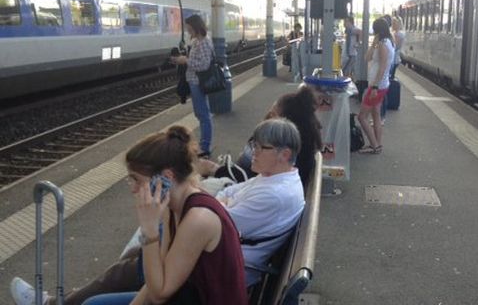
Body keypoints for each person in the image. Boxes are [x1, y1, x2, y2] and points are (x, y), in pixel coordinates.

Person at [10, 120, 304, 303]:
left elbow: (161, 291)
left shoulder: (198, 217)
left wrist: (150, 232)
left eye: (135, 180)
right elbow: (156, 288)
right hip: (189, 293)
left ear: (166, 176)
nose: (131, 188)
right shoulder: (176, 206)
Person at [216, 118, 305, 286]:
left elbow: (216, 221)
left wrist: (225, 203)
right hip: (226, 254)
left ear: (284, 154)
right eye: (253, 144)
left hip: (228, 268)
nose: (253, 152)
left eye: (260, 147)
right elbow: (227, 192)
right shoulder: (272, 176)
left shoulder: (275, 194)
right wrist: (224, 201)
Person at [200, 85, 322, 189]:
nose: (268, 115)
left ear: (286, 125)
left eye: (273, 114)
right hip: (238, 183)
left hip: (239, 186)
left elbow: (253, 182)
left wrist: (215, 170)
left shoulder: (278, 153)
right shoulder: (282, 147)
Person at [171, 14, 213, 158]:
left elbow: (204, 65)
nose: (188, 31)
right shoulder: (197, 42)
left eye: (189, 28)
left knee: (203, 115)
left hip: (198, 82)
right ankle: (204, 145)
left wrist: (186, 61)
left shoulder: (204, 42)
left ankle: (205, 147)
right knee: (201, 114)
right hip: (194, 81)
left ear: (196, 27)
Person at [357, 18, 394, 154]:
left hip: (376, 86)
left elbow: (382, 67)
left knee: (361, 117)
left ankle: (374, 145)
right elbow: (367, 58)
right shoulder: (386, 42)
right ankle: (377, 144)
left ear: (378, 30)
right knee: (376, 114)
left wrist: (374, 87)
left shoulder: (384, 45)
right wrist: (373, 45)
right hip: (381, 85)